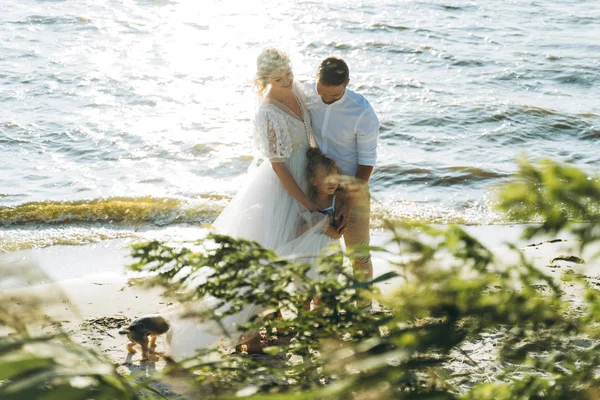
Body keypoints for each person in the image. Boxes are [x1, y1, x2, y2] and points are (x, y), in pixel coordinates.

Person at [168, 48, 328, 359]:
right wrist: (306, 201)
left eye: (289, 74)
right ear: (264, 80)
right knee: (267, 259)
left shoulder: (296, 88)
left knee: (295, 256)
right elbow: (279, 165)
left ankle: (277, 319)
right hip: (282, 187)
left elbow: (311, 136)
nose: (287, 82)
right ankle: (247, 331)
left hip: (306, 175)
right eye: (278, 79)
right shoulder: (266, 112)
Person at [302, 56, 380, 290]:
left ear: (347, 83)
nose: (326, 99)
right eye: (322, 92)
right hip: (317, 187)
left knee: (359, 255)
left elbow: (367, 163)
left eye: (334, 95)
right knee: (317, 253)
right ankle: (321, 305)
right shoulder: (307, 94)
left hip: (353, 186)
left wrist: (347, 200)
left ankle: (363, 312)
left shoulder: (362, 111)